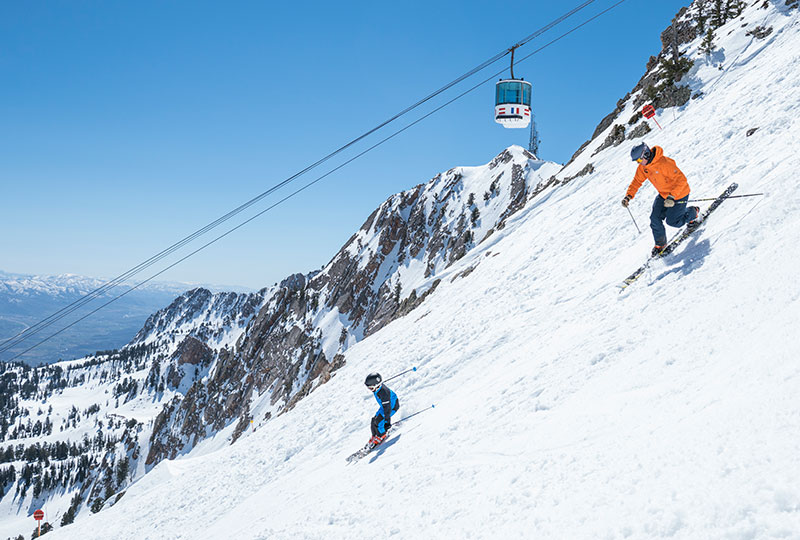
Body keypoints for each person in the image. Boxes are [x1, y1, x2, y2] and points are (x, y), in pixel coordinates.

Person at [621, 143, 700, 256]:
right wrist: (628, 196)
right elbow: (637, 181)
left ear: (646, 154)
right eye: (637, 161)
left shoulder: (665, 163)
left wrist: (672, 196)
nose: (639, 163)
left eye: (639, 160)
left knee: (673, 222)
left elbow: (682, 180)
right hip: (663, 195)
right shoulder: (643, 168)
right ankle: (660, 244)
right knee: (655, 218)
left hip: (679, 194)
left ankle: (693, 212)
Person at [364, 372, 399, 446]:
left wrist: (387, 423)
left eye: (371, 388)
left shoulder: (384, 393)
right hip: (384, 407)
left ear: (376, 386)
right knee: (373, 420)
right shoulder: (377, 388)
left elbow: (387, 410)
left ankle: (381, 435)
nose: (370, 390)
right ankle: (374, 436)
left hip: (392, 407)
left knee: (379, 421)